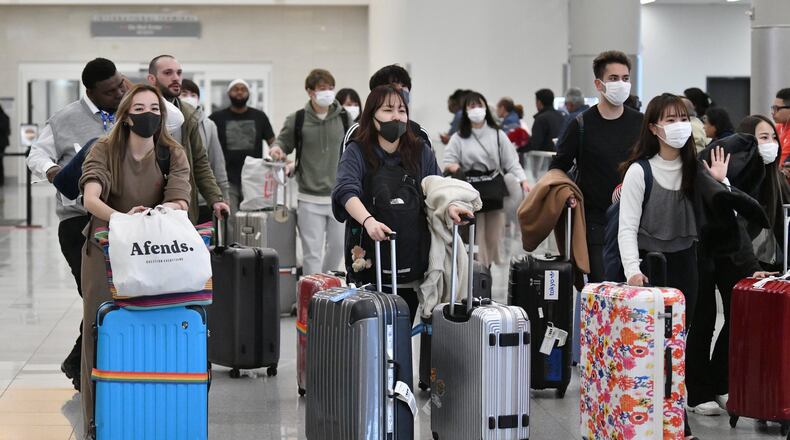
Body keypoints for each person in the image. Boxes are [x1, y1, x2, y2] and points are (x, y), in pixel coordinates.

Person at [78, 84, 193, 435]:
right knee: (102, 328)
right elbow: (91, 197)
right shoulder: (105, 149)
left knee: (154, 327)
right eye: (140, 109)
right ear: (126, 116)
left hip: (154, 252)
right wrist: (122, 219)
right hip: (105, 250)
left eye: (155, 109)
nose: (149, 115)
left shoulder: (172, 153)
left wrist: (156, 214)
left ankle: (149, 415)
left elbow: (180, 201)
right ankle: (98, 421)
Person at [618, 93, 730, 440]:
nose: (678, 125)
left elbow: (728, 214)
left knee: (677, 346)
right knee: (651, 348)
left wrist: (722, 182)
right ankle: (651, 421)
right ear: (654, 127)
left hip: (687, 263)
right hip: (652, 266)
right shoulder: (641, 170)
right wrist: (632, 271)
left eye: (682, 117)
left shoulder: (696, 169)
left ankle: (675, 421)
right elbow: (627, 227)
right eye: (669, 119)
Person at [25, 58, 127, 391]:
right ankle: (83, 367)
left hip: (119, 220)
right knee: (93, 293)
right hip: (77, 221)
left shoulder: (130, 111)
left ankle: (77, 361)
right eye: (110, 90)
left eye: (119, 85)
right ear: (91, 91)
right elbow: (36, 155)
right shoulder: (65, 119)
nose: (117, 93)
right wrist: (53, 172)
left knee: (113, 293)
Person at [332, 85, 473, 322]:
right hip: (368, 259)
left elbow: (435, 188)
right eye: (388, 110)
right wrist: (368, 221)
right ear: (371, 115)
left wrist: (450, 207)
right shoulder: (357, 151)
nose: (396, 116)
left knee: (401, 328)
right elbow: (346, 191)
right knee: (373, 331)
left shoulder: (420, 151)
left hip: (412, 257)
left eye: (401, 110)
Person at [686, 114, 785, 416]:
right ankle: (698, 391)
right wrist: (723, 183)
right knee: (702, 320)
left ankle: (718, 381)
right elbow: (727, 211)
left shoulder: (770, 175)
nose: (769, 144)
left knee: (739, 317)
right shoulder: (724, 160)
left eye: (772, 138)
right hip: (703, 248)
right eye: (762, 137)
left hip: (734, 251)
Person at [549, 50, 643, 282]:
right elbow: (557, 167)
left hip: (637, 220)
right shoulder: (580, 124)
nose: (621, 84)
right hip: (596, 221)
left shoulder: (640, 122)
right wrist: (566, 193)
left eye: (625, 78)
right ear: (599, 84)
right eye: (613, 79)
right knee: (603, 289)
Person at [268, 69, 348, 276]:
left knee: (338, 247)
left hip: (339, 197)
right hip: (309, 198)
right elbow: (283, 142)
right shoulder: (298, 118)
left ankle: (327, 289)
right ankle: (311, 299)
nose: (328, 93)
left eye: (331, 88)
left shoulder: (344, 117)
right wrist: (278, 149)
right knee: (312, 253)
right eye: (323, 89)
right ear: (310, 92)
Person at [443, 91, 529, 268]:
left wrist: (523, 180)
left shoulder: (497, 135)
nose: (476, 109)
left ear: (486, 109)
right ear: (466, 111)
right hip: (468, 192)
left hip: (493, 190)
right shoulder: (459, 137)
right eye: (472, 106)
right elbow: (448, 160)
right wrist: (454, 167)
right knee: (473, 238)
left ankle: (486, 275)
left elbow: (511, 161)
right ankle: (474, 275)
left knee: (492, 237)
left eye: (479, 105)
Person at [147, 55, 228, 223]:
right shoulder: (139, 110)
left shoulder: (189, 114)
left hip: (181, 205)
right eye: (168, 73)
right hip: (145, 205)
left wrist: (216, 199)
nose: (176, 78)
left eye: (179, 73)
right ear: (152, 79)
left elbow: (199, 162)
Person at [209, 78, 276, 213]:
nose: (239, 92)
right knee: (231, 218)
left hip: (253, 177)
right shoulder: (216, 118)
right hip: (226, 178)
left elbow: (273, 143)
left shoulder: (260, 116)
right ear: (229, 93)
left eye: (243, 89)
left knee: (252, 218)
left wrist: (279, 156)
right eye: (235, 89)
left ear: (249, 94)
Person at [180, 79, 230, 223]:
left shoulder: (208, 125)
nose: (189, 97)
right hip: (177, 199)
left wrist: (222, 195)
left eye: (193, 94)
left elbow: (216, 162)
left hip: (203, 199)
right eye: (184, 93)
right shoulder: (170, 121)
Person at [343, 64, 431, 147]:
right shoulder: (358, 131)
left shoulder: (419, 132)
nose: (400, 89)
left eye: (404, 85)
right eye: (393, 86)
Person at [771, 88, 790, 164]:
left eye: (777, 108)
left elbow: (781, 162)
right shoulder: (778, 127)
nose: (772, 112)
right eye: (773, 108)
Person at [0, 105, 9, 184]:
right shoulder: (5, 116)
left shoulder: (3, 117)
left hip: (1, 143)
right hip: (3, 143)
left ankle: (1, 181)